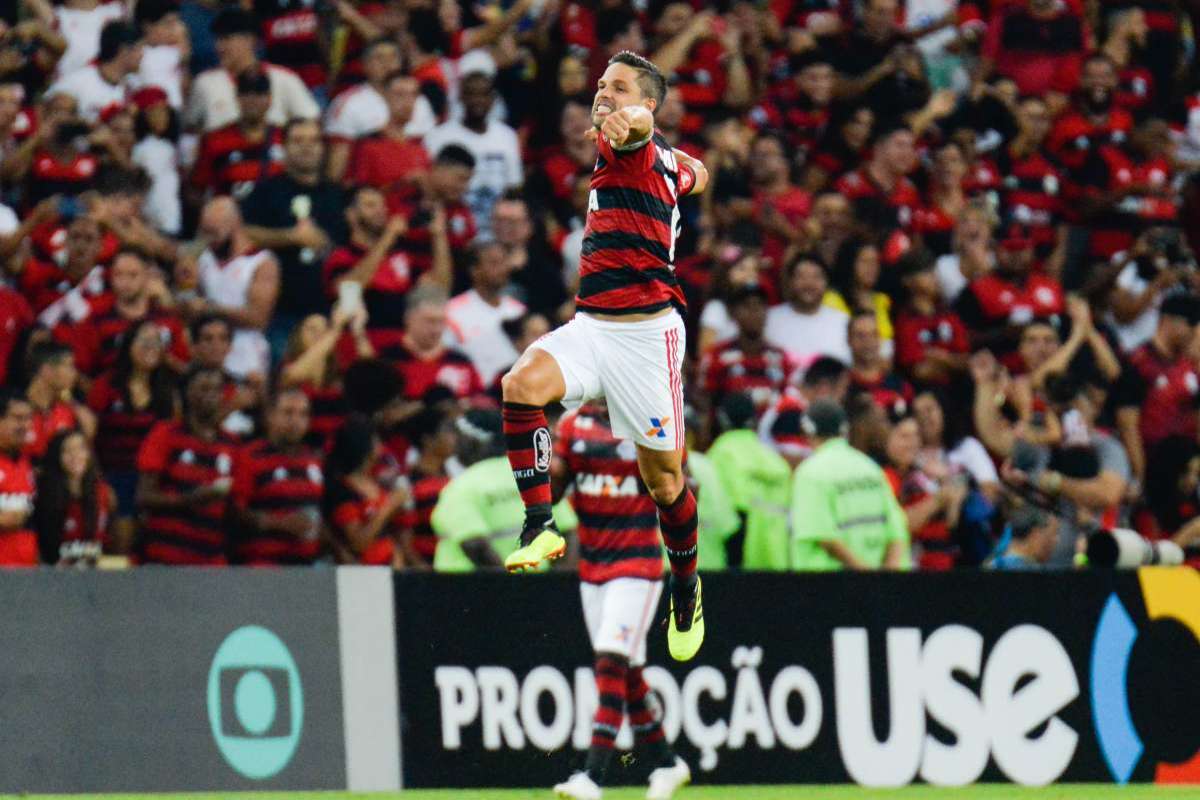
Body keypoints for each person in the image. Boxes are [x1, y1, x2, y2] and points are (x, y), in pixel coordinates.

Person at [499, 51, 710, 663]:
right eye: (600, 86)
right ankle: (540, 525)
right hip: (593, 326)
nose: (602, 96)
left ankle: (686, 584)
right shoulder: (669, 162)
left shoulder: (632, 142)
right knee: (520, 385)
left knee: (664, 483)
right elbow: (695, 171)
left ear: (647, 104)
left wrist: (631, 122)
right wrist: (686, 163)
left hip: (647, 340)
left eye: (617, 88)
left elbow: (638, 131)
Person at [550, 399, 691, 800]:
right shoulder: (573, 424)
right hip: (593, 568)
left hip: (638, 566)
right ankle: (667, 764)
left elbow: (675, 484)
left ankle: (591, 778)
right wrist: (546, 468)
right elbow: (555, 492)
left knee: (610, 663)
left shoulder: (653, 418)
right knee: (626, 675)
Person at [241, 118, 348, 353]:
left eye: (314, 140)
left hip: (327, 310)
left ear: (323, 148)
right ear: (285, 148)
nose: (307, 146)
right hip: (281, 310)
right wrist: (291, 237)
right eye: (298, 140)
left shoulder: (336, 194)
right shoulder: (266, 191)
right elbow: (244, 232)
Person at [432, 408, 575, 571]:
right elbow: (568, 533)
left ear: (474, 442)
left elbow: (474, 545)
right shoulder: (536, 478)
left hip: (470, 591)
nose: (454, 445)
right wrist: (558, 585)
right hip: (540, 588)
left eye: (459, 439)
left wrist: (507, 588)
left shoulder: (462, 487)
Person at [86, 318, 179, 546]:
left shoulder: (168, 392)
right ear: (128, 346)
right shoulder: (106, 386)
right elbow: (88, 441)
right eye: (144, 341)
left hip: (151, 481)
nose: (150, 347)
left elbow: (176, 441)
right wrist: (101, 483)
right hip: (111, 476)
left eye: (156, 342)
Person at [135, 366, 240, 565]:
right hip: (166, 557)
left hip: (211, 561)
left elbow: (235, 508)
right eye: (203, 389)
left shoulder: (232, 444)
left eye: (216, 390)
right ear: (187, 393)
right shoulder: (165, 433)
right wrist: (188, 500)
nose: (211, 395)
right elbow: (143, 496)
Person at [790, 399, 911, 570]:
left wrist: (863, 574)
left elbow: (823, 536)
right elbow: (896, 527)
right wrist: (886, 578)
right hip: (879, 586)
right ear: (845, 430)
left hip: (828, 586)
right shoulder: (870, 468)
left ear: (807, 431)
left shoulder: (810, 473)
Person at [423, 70, 523, 239]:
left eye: (483, 94)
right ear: (461, 97)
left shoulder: (507, 136)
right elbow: (430, 185)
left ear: (493, 99)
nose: (477, 100)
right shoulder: (437, 137)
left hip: (497, 232)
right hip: (452, 229)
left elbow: (513, 187)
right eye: (471, 94)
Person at [185, 7, 318, 133]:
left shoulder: (284, 79)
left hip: (273, 154)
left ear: (250, 40)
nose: (219, 47)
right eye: (217, 40)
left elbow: (311, 119)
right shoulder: (204, 83)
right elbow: (191, 129)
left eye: (226, 39)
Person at [231, 388, 324, 565]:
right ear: (270, 416)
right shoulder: (250, 456)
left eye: (303, 414)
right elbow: (233, 513)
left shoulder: (313, 460)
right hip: (263, 569)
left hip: (306, 569)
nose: (296, 421)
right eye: (288, 413)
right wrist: (280, 524)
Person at [192, 196, 279, 381]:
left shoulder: (261, 263)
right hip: (209, 353)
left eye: (214, 232)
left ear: (235, 225)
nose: (210, 239)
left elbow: (258, 318)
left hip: (245, 356)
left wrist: (210, 309)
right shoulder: (204, 259)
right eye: (205, 232)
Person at [707, 392, 792, 570]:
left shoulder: (722, 453)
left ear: (722, 419)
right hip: (778, 561)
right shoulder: (775, 460)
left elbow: (733, 512)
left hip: (743, 564)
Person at [322, 414, 407, 567]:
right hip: (363, 576)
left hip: (391, 569)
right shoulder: (343, 491)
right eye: (376, 440)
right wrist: (389, 506)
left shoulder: (376, 482)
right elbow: (359, 543)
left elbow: (388, 532)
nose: (381, 445)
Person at [189, 70, 286, 201]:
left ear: (270, 99)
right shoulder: (215, 140)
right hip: (231, 219)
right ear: (237, 97)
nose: (252, 100)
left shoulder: (285, 137)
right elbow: (196, 189)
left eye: (259, 93)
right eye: (245, 93)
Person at [445, 240, 526, 387]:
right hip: (475, 395)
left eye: (504, 262)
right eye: (494, 263)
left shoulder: (518, 311)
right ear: (474, 270)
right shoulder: (453, 311)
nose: (502, 269)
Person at [34, 428, 114, 566]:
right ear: (56, 456)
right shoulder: (44, 495)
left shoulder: (103, 492)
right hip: (53, 575)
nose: (75, 455)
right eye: (67, 450)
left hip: (96, 574)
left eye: (81, 448)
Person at [47, 20, 140, 124]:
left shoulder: (130, 88)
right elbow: (54, 121)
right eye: (138, 49)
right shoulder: (77, 82)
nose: (142, 55)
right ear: (124, 50)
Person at [765, 255, 851, 366]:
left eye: (816, 277)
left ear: (826, 283)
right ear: (789, 282)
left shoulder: (844, 322)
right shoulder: (768, 319)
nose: (809, 284)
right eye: (801, 277)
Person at [23, 340, 93, 460]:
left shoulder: (67, 411)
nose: (75, 373)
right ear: (47, 370)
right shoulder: (15, 410)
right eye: (69, 366)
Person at [0, 389, 36, 566]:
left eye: (28, 418)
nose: (25, 425)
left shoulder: (27, 462)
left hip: (25, 573)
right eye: (17, 418)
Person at [986, 505, 1058, 570]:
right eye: (1053, 534)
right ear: (1035, 535)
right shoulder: (1034, 575)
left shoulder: (990, 565)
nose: (1056, 541)